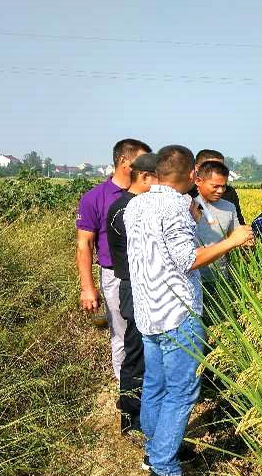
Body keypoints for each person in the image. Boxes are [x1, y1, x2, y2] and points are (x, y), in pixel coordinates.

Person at [124, 145, 253, 476]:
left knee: (156, 385)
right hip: (177, 314)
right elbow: (188, 260)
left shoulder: (136, 204)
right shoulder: (177, 207)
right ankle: (164, 472)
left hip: (148, 311)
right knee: (182, 391)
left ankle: (155, 450)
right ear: (193, 175)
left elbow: (159, 250)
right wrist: (232, 240)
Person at [76, 138, 151, 382]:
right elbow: (84, 244)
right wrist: (88, 287)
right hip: (116, 275)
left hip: (151, 273)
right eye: (142, 160)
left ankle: (148, 386)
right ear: (124, 161)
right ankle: (126, 389)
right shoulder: (95, 198)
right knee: (122, 334)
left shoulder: (150, 193)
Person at [105, 152, 159, 435]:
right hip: (135, 289)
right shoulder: (126, 209)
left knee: (146, 356)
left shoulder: (135, 205)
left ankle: (144, 418)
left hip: (146, 289)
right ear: (146, 177)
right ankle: (131, 420)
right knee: (136, 356)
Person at [191, 160, 243, 324]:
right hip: (193, 279)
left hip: (220, 278)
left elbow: (235, 235)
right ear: (198, 181)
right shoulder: (187, 205)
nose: (220, 190)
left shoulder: (229, 207)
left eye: (223, 186)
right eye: (215, 186)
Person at [188, 149, 246, 225]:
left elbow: (239, 225)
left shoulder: (229, 193)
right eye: (213, 166)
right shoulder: (186, 194)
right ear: (197, 168)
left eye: (221, 167)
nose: (220, 191)